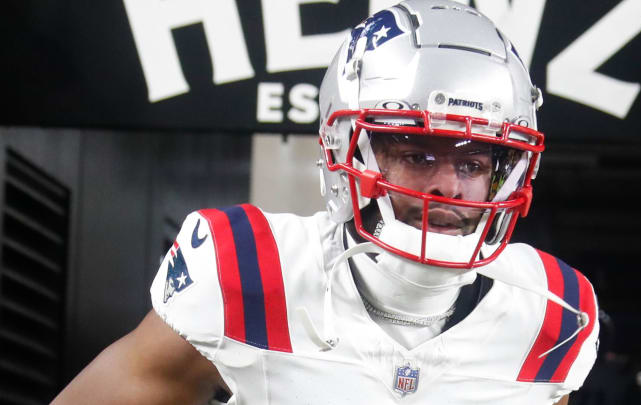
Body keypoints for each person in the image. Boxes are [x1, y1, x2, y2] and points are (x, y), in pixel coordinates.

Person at [51, 0, 599, 403]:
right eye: (418, 155)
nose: (449, 188)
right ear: (349, 152)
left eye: (474, 165)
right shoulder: (252, 270)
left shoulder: (551, 312)